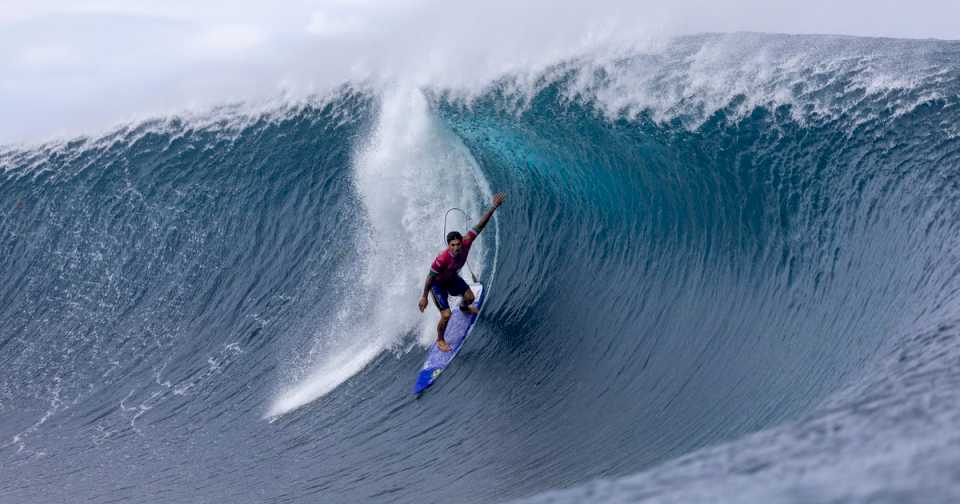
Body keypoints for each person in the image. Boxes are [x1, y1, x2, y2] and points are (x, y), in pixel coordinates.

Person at [418, 192, 506, 352]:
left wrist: (493, 207)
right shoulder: (442, 259)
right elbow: (430, 277)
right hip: (438, 285)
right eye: (452, 245)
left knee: (470, 298)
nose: (457, 247)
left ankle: (464, 308)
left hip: (452, 279)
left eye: (458, 244)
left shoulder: (467, 241)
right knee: (446, 315)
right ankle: (440, 340)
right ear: (448, 245)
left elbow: (480, 225)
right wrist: (424, 296)